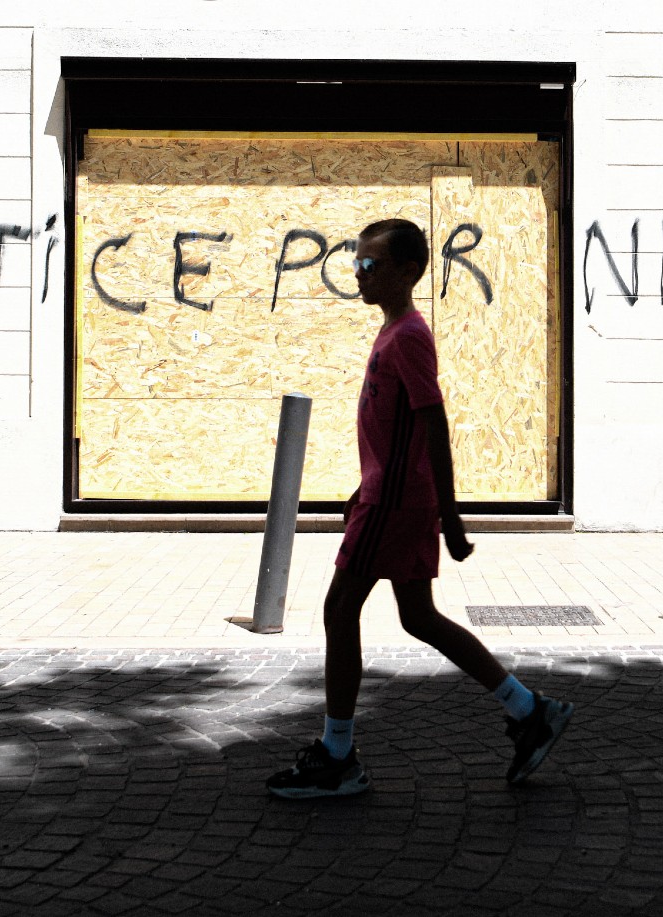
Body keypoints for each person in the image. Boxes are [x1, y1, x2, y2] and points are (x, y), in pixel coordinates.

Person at [266, 218, 575, 799]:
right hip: (387, 497)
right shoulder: (392, 331)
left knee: (338, 609)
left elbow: (434, 425)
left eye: (370, 264)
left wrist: (449, 516)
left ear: (408, 272)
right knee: (418, 617)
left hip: (398, 503)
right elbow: (398, 429)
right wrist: (366, 484)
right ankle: (530, 709)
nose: (359, 273)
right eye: (356, 263)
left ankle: (338, 756)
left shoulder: (408, 334)